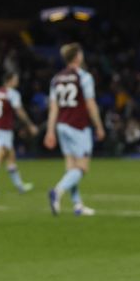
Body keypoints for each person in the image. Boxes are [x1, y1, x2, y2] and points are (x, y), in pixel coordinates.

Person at [43, 43, 105, 216]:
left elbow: (53, 107)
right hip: (78, 126)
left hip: (62, 126)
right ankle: (57, 191)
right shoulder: (84, 76)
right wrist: (99, 126)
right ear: (78, 56)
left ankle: (77, 205)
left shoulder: (56, 79)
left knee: (71, 168)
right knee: (82, 168)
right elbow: (90, 103)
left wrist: (50, 131)